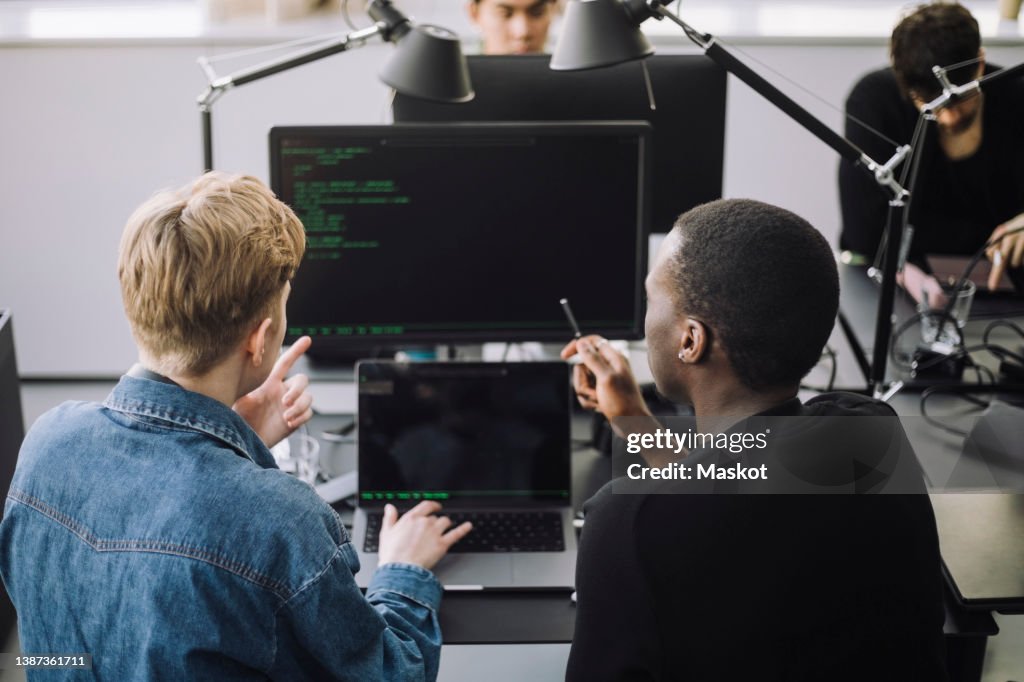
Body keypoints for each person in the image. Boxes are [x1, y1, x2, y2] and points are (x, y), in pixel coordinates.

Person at [0, 172, 471, 680]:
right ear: (261, 338)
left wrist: (235, 443)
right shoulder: (282, 522)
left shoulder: (48, 443)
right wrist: (403, 572)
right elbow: (393, 674)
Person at [562, 199, 948, 681]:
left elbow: (694, 509)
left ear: (690, 340)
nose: (645, 319)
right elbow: (738, 487)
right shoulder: (869, 433)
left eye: (651, 301)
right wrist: (632, 421)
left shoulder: (624, 526)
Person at [838, 2, 1024, 296]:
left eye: (958, 99)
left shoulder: (1017, 97)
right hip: (901, 283)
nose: (949, 117)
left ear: (980, 62)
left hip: (1006, 287)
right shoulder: (874, 102)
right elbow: (864, 231)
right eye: (928, 103)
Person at [466, 0, 558, 55]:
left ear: (554, 10)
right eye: (504, 13)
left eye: (537, 12)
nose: (522, 32)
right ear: (474, 13)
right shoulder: (453, 77)